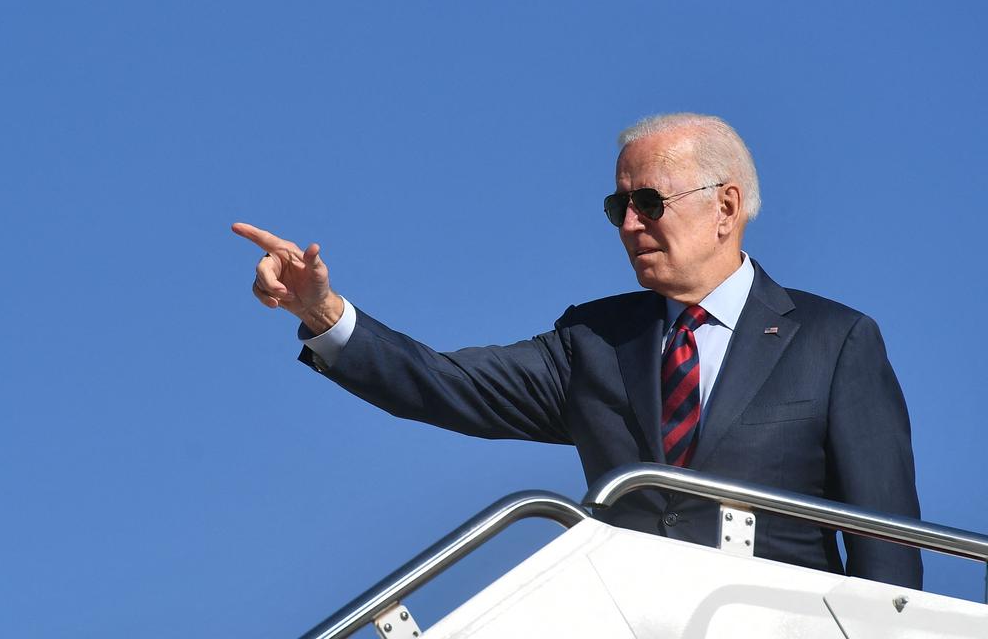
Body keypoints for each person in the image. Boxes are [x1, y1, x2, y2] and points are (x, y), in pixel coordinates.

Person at [233, 112, 922, 588]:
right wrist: (321, 312)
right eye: (616, 207)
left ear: (726, 207)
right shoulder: (593, 342)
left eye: (649, 202)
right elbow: (442, 384)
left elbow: (888, 550)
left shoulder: (834, 341)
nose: (628, 224)